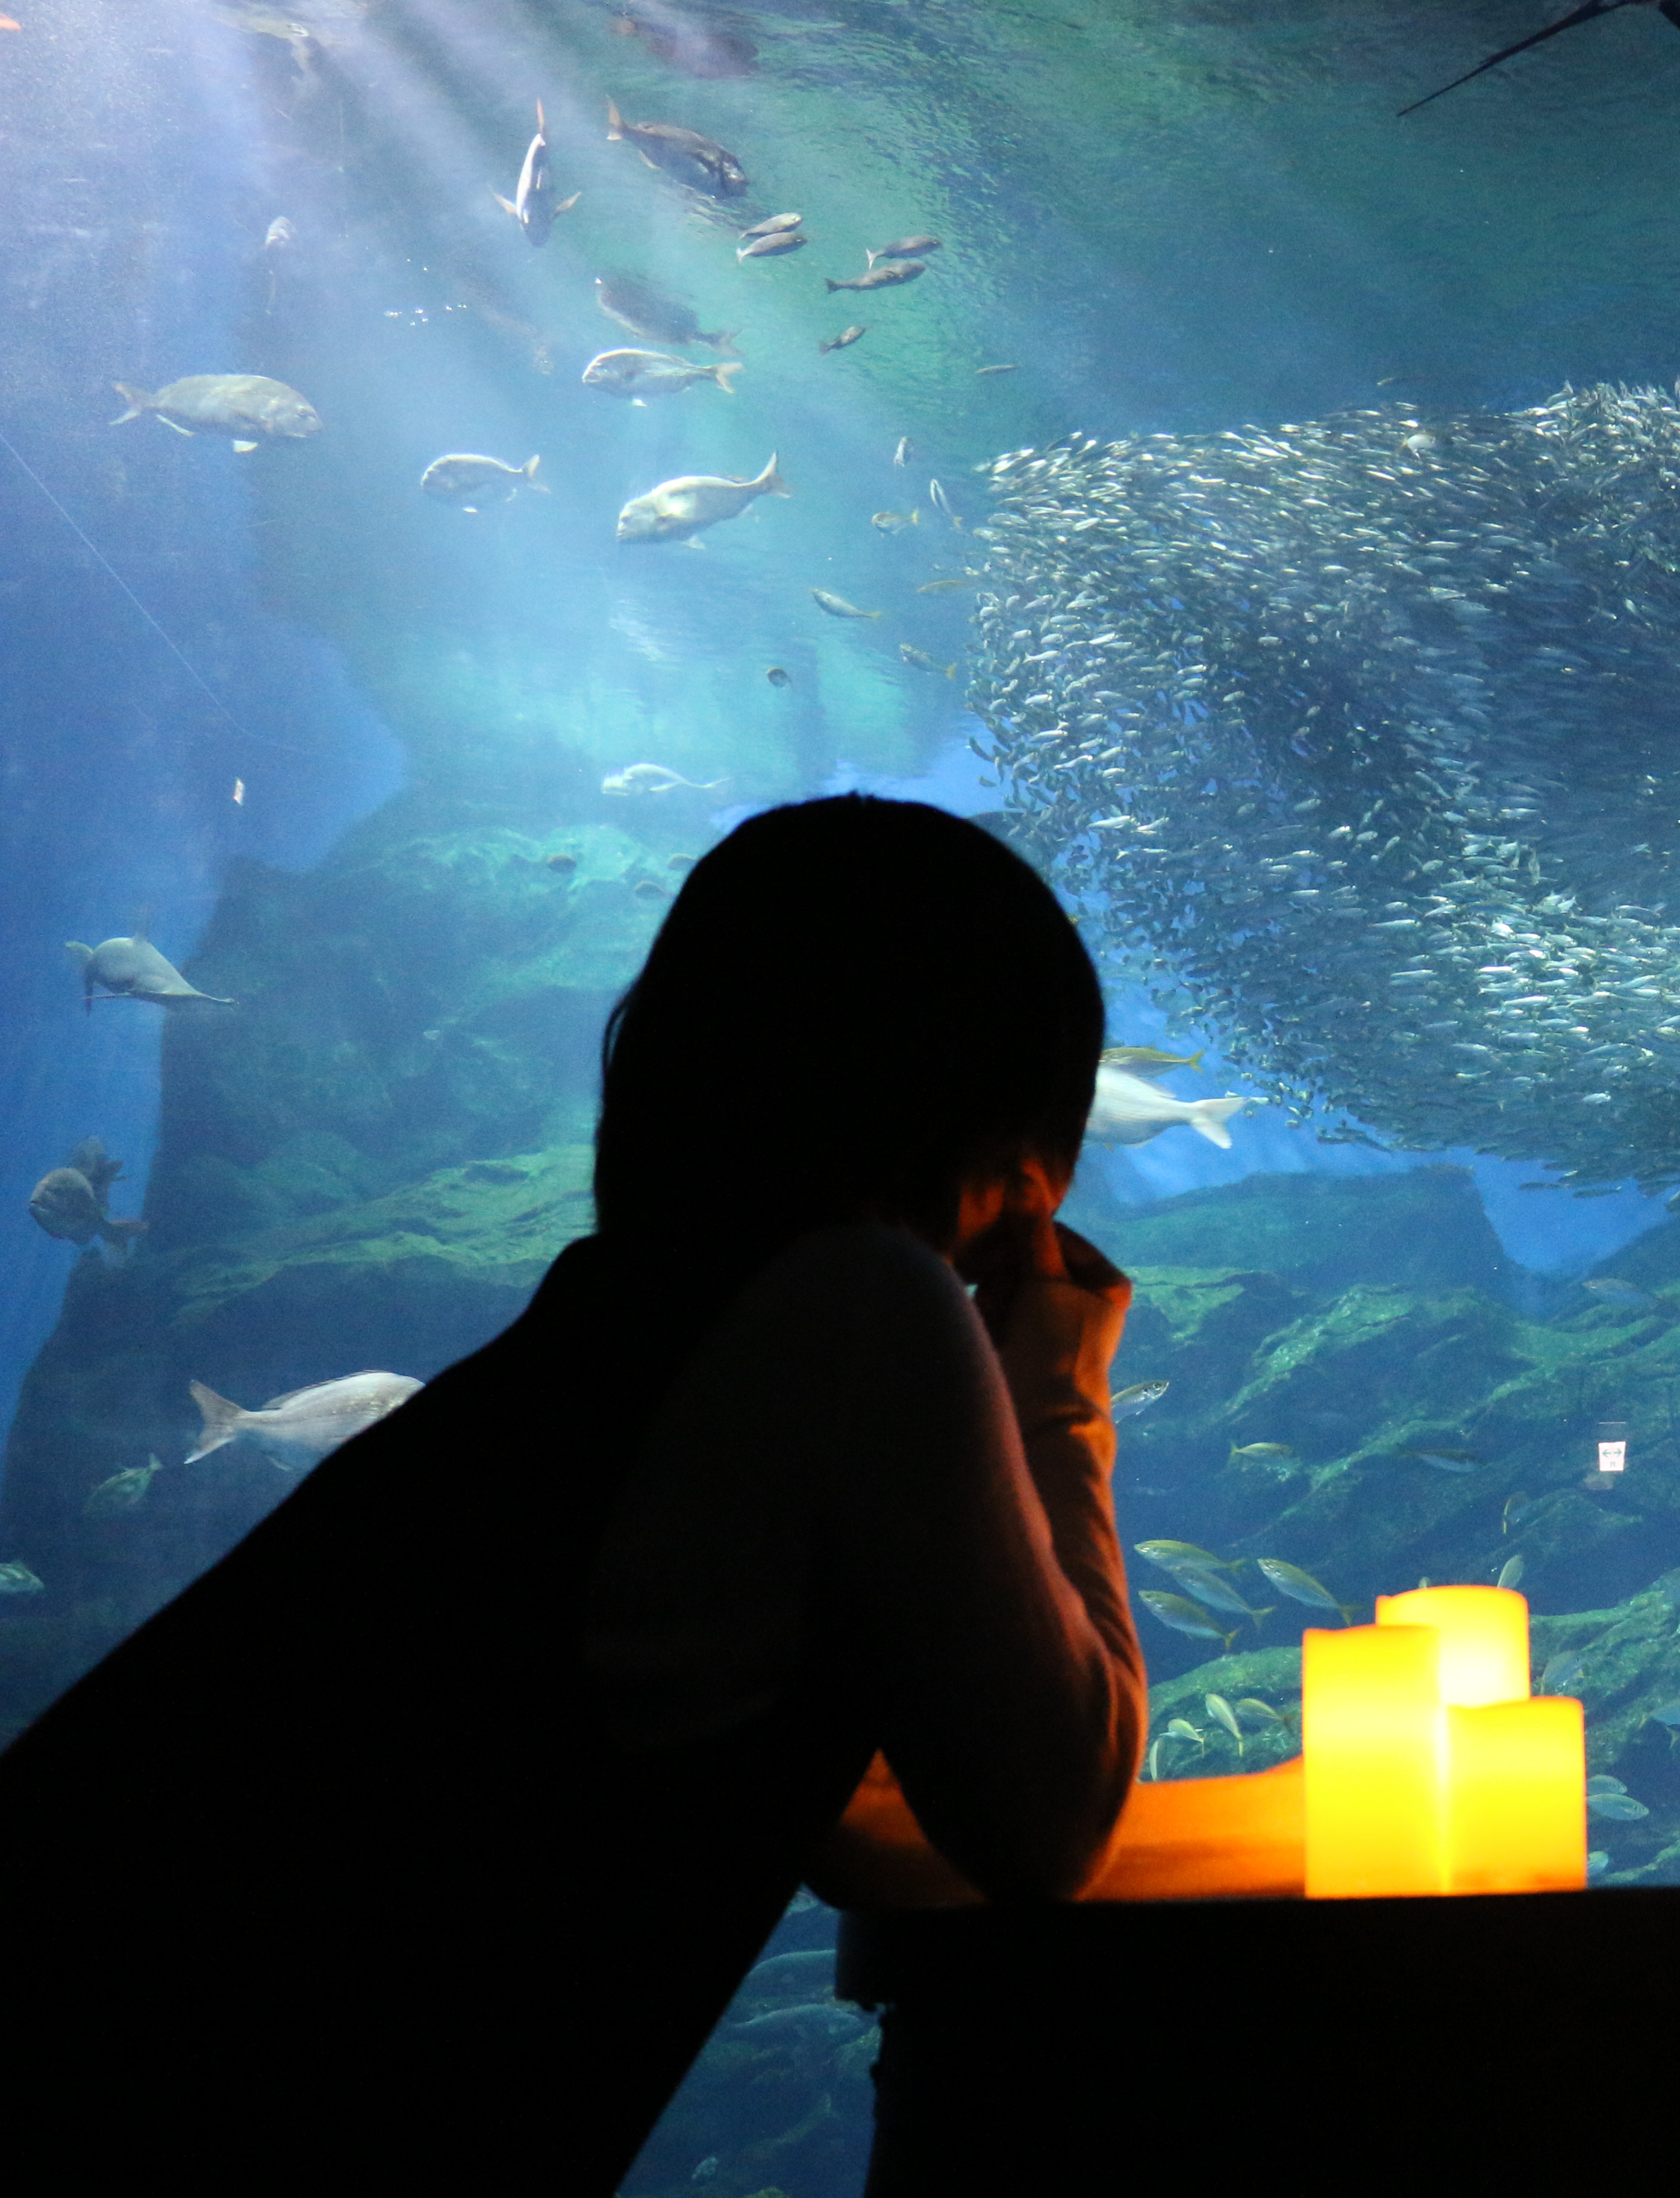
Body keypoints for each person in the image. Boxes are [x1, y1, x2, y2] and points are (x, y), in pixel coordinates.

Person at [0, 796, 1146, 2190]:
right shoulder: (864, 1300)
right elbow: (1052, 1821)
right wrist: (1059, 1389)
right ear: (1016, 1149)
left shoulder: (615, 1326)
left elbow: (856, 1816)